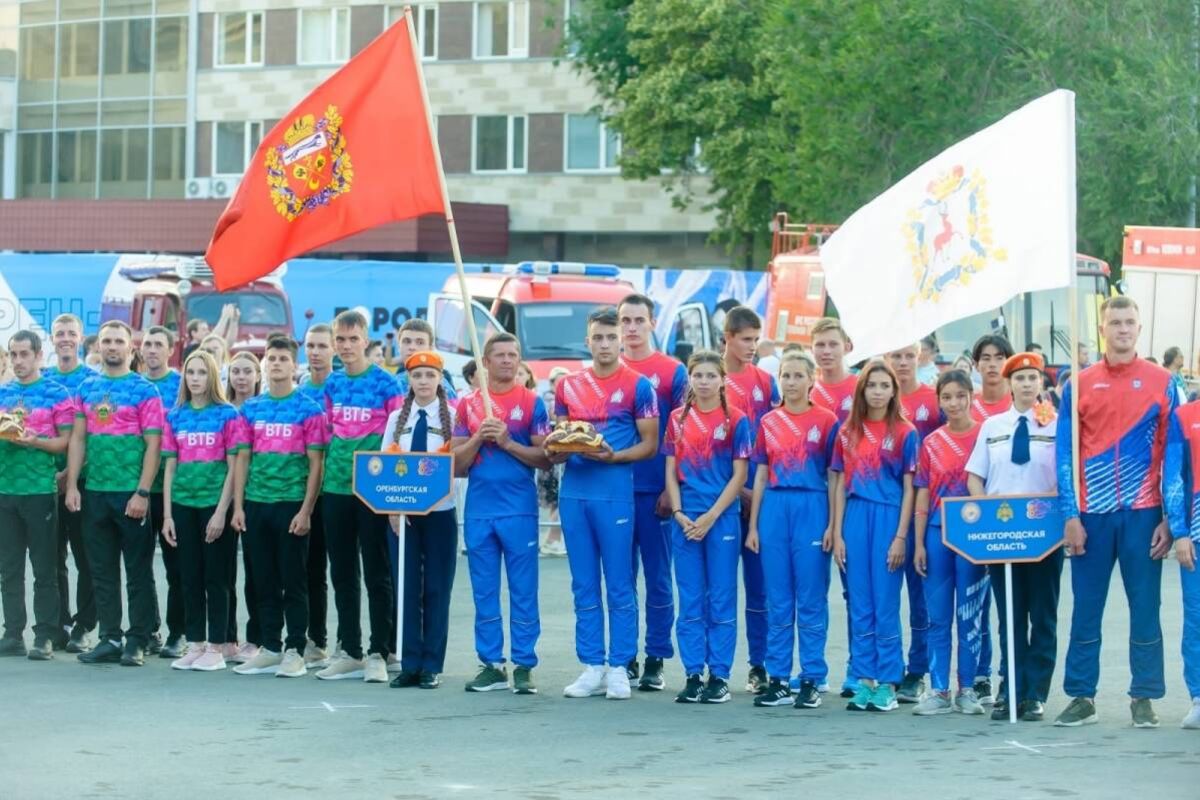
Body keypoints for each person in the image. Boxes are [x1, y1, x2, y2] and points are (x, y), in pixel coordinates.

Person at [1056, 296, 1176, 729]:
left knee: (1146, 605)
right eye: (1115, 322)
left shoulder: (1163, 382)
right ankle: (1081, 695)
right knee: (1086, 606)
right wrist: (1070, 514)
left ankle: (1144, 695)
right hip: (1092, 514)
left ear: (1139, 329)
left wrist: (1170, 518)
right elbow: (1064, 454)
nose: (1122, 329)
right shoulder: (1079, 383)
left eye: (1129, 322)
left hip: (1144, 513)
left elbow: (1173, 456)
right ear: (1102, 329)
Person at [551, 306, 658, 701]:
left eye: (611, 337)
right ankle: (592, 664)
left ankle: (619, 666)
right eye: (598, 337)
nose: (605, 344)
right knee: (583, 583)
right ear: (588, 341)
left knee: (619, 582)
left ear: (621, 340)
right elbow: (558, 439)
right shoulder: (568, 385)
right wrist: (558, 451)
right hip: (574, 492)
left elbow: (650, 444)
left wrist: (614, 457)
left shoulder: (638, 386)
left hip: (614, 492)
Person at [452, 334, 550, 694]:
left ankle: (524, 663)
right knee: (484, 591)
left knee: (524, 590)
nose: (508, 361)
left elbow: (547, 458)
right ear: (486, 362)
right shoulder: (468, 405)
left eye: (514, 355)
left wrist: (508, 442)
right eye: (501, 355)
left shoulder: (532, 403)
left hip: (519, 510)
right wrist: (479, 437)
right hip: (480, 511)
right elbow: (456, 466)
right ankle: (491, 664)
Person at [966, 351, 1061, 722]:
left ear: (1041, 384)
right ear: (1009, 385)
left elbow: (1064, 475)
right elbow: (976, 474)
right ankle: (1011, 689)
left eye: (1032, 378)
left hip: (1044, 533)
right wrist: (984, 512)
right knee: (1010, 614)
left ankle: (1035, 692)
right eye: (1019, 378)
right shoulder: (992, 426)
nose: (1026, 384)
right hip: (1003, 534)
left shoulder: (1055, 425)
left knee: (1043, 613)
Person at [66, 321, 164, 667]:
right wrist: (74, 483)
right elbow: (78, 439)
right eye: (106, 340)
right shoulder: (87, 388)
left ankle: (137, 639)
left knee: (137, 570)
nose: (111, 346)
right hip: (95, 493)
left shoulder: (145, 391)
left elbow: (154, 445)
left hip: (130, 494)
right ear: (98, 346)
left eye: (118, 341)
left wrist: (142, 492)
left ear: (130, 347)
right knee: (101, 570)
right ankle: (109, 637)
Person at [746, 351, 838, 709]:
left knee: (811, 598)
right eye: (786, 375)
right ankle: (779, 678)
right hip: (774, 509)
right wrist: (753, 525)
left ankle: (812, 677)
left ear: (812, 380)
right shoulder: (768, 421)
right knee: (778, 599)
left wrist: (832, 523)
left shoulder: (827, 421)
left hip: (812, 507)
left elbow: (834, 476)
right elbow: (761, 474)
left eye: (799, 376)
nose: (792, 382)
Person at [231, 335, 327, 678]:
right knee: (263, 580)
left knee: (294, 580)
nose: (275, 364)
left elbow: (316, 464)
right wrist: (239, 506)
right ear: (264, 364)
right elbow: (242, 459)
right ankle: (270, 646)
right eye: (271, 358)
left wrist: (305, 510)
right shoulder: (251, 409)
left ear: (293, 365)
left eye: (283, 359)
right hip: (256, 505)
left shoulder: (309, 410)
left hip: (291, 505)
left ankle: (295, 649)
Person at [663, 350, 752, 704]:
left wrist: (713, 515)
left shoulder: (736, 420)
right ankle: (692, 672)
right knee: (690, 598)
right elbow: (670, 470)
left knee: (722, 596)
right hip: (686, 519)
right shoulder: (676, 419)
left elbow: (740, 474)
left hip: (721, 518)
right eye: (697, 376)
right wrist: (679, 512)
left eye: (710, 376)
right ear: (690, 379)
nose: (703, 382)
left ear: (722, 380)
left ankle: (719, 674)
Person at [317, 310, 401, 683]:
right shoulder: (332, 385)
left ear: (366, 340)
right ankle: (349, 648)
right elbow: (329, 433)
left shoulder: (387, 384)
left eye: (353, 339)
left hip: (373, 491)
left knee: (377, 571)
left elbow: (396, 440)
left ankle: (379, 651)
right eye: (341, 339)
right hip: (335, 487)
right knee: (343, 571)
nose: (346, 346)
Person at [830, 360, 918, 712]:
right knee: (860, 603)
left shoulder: (905, 432)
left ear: (894, 391)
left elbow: (911, 489)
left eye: (885, 385)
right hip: (855, 515)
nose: (878, 392)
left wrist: (900, 537)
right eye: (872, 385)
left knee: (884, 603)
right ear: (862, 390)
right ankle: (864, 680)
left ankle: (888, 683)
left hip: (888, 517)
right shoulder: (847, 432)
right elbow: (837, 484)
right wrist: (837, 533)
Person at [618, 294, 688, 691]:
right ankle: (625, 655)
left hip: (656, 493)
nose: (630, 328)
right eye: (624, 320)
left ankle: (656, 656)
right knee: (620, 578)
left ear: (652, 322)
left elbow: (680, 433)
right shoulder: (605, 369)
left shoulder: (672, 371)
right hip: (613, 492)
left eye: (638, 320)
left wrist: (669, 487)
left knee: (659, 579)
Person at [160, 350, 244, 672]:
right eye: (190, 372)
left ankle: (216, 646)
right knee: (189, 576)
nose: (195, 378)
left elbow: (234, 467)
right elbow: (169, 468)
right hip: (183, 506)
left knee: (217, 578)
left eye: (201, 373)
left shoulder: (227, 414)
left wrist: (222, 511)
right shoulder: (175, 415)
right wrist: (167, 514)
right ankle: (194, 643)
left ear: (212, 377)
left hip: (213, 505)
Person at [911, 369, 987, 716]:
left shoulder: (986, 436)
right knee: (938, 616)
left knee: (969, 615)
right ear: (939, 401)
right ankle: (939, 689)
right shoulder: (931, 443)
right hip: (937, 534)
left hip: (973, 538)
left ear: (971, 396)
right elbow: (922, 495)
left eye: (960, 395)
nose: (954, 403)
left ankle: (967, 688)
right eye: (947, 397)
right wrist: (919, 543)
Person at [383, 351, 458, 689]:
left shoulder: (453, 417)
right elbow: (384, 465)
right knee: (407, 588)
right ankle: (409, 662)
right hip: (404, 516)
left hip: (440, 512)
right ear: (409, 381)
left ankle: (432, 664)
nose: (424, 381)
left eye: (430, 375)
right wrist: (392, 513)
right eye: (417, 376)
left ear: (440, 379)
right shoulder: (397, 419)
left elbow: (458, 466)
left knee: (437, 588)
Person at [0, 330, 73, 660]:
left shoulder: (57, 394)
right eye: (13, 355)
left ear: (39, 355)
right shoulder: (4, 394)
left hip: (40, 492)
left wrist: (35, 441)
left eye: (24, 354)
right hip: (6, 491)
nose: (17, 361)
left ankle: (45, 635)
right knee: (9, 568)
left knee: (45, 568)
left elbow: (65, 444)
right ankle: (13, 633)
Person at [721, 306, 780, 694]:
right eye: (745, 339)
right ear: (727, 337)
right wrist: (735, 488)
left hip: (760, 498)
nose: (752, 347)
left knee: (761, 590)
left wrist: (755, 491)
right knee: (720, 590)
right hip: (720, 498)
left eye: (756, 340)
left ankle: (759, 665)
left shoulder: (766, 382)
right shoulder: (711, 379)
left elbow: (774, 439)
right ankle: (714, 668)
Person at [809, 316, 859, 696]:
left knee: (856, 590)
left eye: (832, 344)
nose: (826, 352)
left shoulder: (861, 388)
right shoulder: (803, 386)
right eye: (820, 345)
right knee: (809, 591)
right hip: (810, 501)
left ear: (847, 346)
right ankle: (814, 669)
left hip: (855, 498)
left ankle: (860, 668)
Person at [887, 342, 938, 702]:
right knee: (882, 595)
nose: (903, 362)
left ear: (919, 357)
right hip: (883, 507)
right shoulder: (876, 398)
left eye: (908, 355)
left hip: (923, 507)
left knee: (920, 597)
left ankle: (918, 669)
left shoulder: (933, 400)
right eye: (896, 356)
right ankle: (884, 668)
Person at [46, 313, 96, 653]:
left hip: (84, 484)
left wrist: (72, 475)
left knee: (86, 557)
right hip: (45, 485)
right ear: (52, 339)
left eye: (71, 333)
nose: (65, 338)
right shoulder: (44, 381)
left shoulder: (92, 381)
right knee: (52, 559)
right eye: (59, 333)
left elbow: (97, 437)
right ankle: (60, 620)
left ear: (80, 339)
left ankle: (84, 625)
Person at [140, 326, 186, 659]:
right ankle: (147, 629)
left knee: (176, 567)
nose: (152, 350)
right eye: (147, 344)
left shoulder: (181, 386)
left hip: (173, 490)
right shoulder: (134, 386)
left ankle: (178, 632)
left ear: (170, 350)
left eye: (159, 344)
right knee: (139, 566)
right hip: (140, 490)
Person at [297, 324, 334, 670]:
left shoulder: (339, 388)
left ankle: (355, 644)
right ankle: (315, 638)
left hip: (341, 488)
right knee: (311, 569)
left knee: (347, 571)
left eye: (322, 345)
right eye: (310, 345)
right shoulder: (300, 391)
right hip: (308, 491)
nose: (316, 351)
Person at [1163, 389, 1200, 729]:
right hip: (1197, 535)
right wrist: (1181, 531)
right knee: (1197, 619)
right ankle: (1198, 697)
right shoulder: (1185, 416)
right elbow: (1173, 477)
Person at [224, 351, 263, 663]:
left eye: (247, 371)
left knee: (255, 571)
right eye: (235, 371)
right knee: (221, 574)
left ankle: (257, 637)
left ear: (257, 376)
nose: (241, 377)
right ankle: (225, 637)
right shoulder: (220, 410)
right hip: (217, 499)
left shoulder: (262, 410)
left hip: (253, 499)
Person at [539, 366, 571, 557]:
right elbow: (554, 417)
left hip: (564, 458)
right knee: (555, 501)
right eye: (557, 381)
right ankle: (552, 539)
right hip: (552, 459)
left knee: (558, 502)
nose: (561, 384)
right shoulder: (548, 399)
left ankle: (552, 539)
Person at [393, 319, 457, 398]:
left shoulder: (443, 388)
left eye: (420, 342)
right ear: (399, 347)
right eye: (407, 341)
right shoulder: (391, 386)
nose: (412, 347)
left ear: (430, 348)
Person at [970, 335, 1014, 421]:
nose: (992, 364)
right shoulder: (967, 406)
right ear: (976, 365)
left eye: (999, 358)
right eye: (986, 358)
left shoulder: (1021, 403)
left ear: (1009, 363)